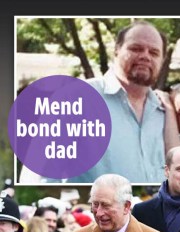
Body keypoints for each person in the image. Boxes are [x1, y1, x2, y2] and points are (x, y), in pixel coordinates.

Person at [22, 21, 169, 184]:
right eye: (136, 48)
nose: (145, 56)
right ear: (116, 51)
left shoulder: (165, 110)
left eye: (154, 52)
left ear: (162, 60)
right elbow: (39, 175)